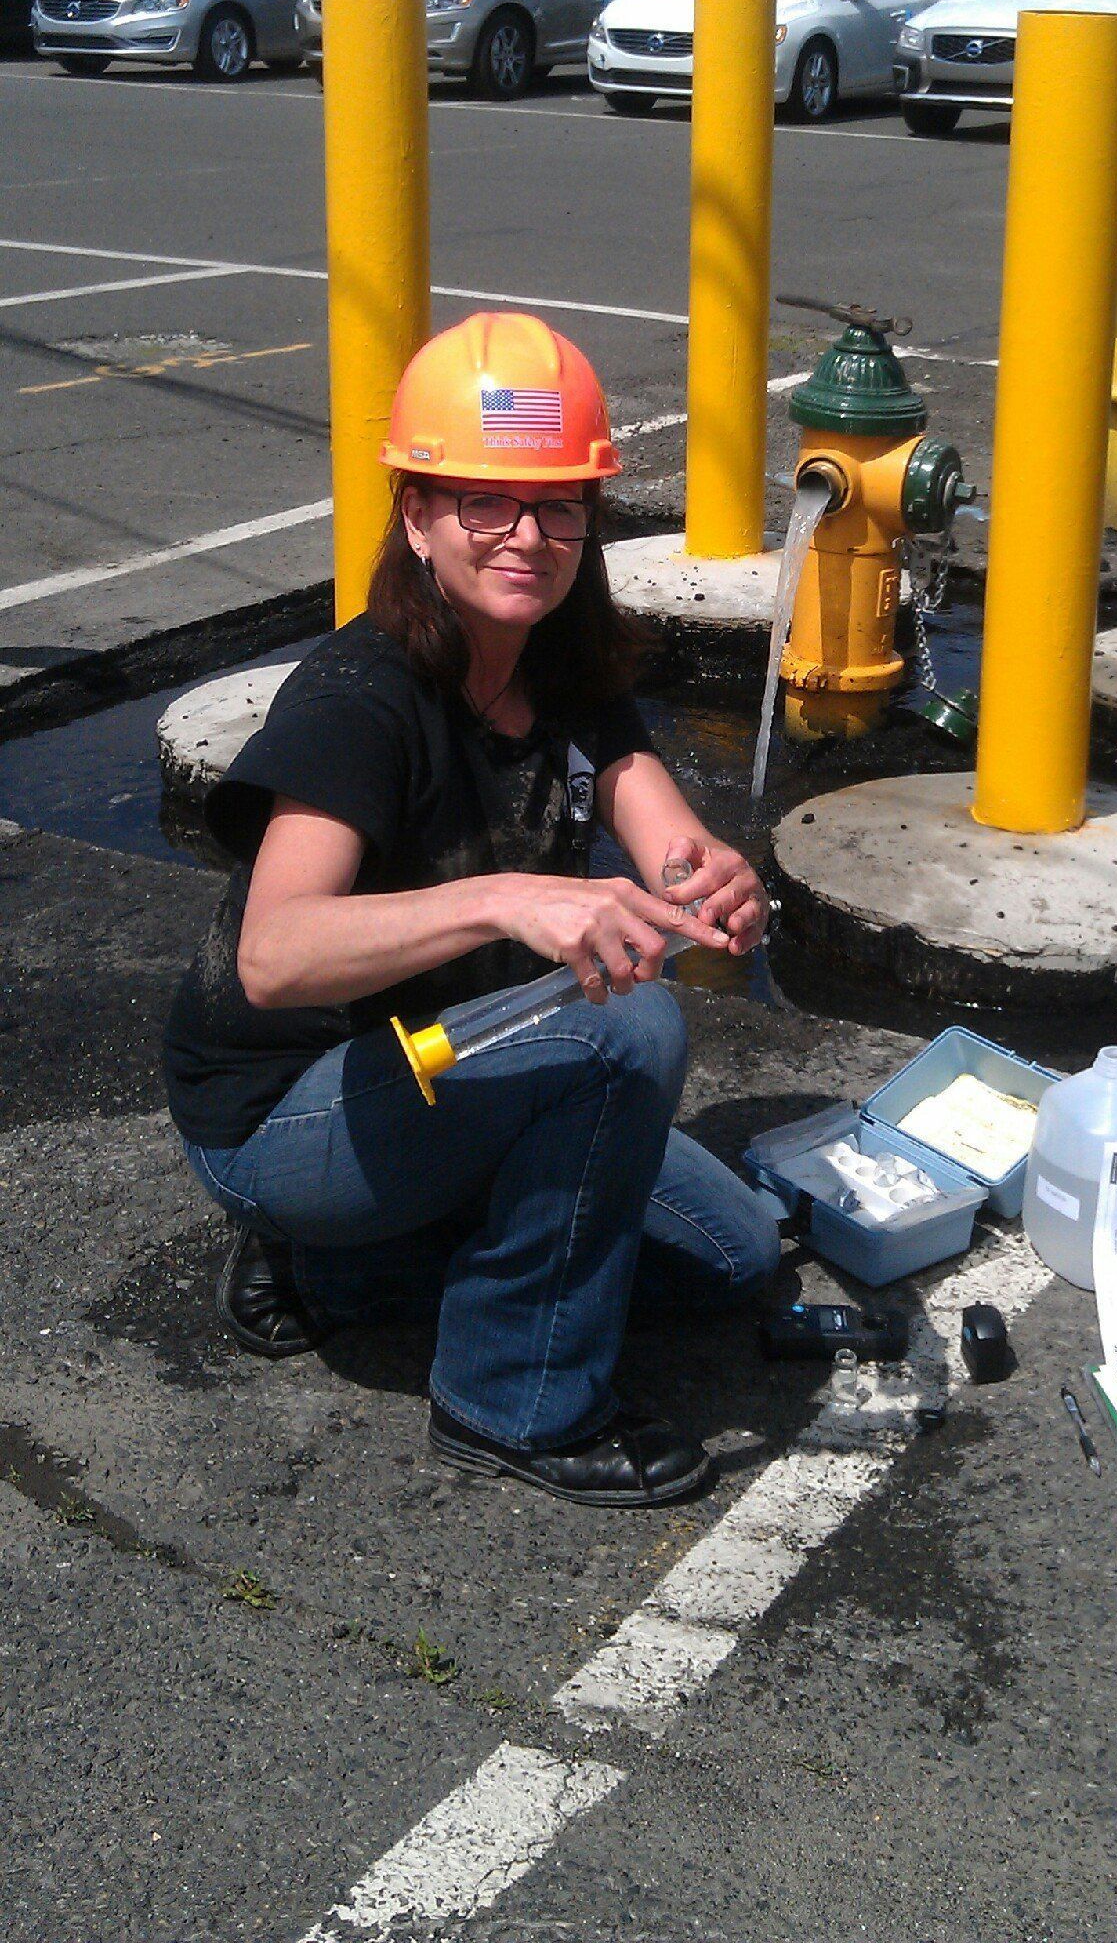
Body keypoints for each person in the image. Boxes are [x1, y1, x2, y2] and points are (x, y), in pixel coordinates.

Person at [163, 312, 780, 1509]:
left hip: (442, 1068)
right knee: (629, 1031)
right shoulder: (361, 698)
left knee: (733, 1257)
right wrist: (508, 897)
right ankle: (516, 1400)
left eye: (557, 505)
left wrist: (716, 883)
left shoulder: (560, 667)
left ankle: (351, 1271)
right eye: (484, 503)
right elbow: (275, 957)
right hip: (284, 1110)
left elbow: (669, 847)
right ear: (417, 517)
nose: (526, 535)